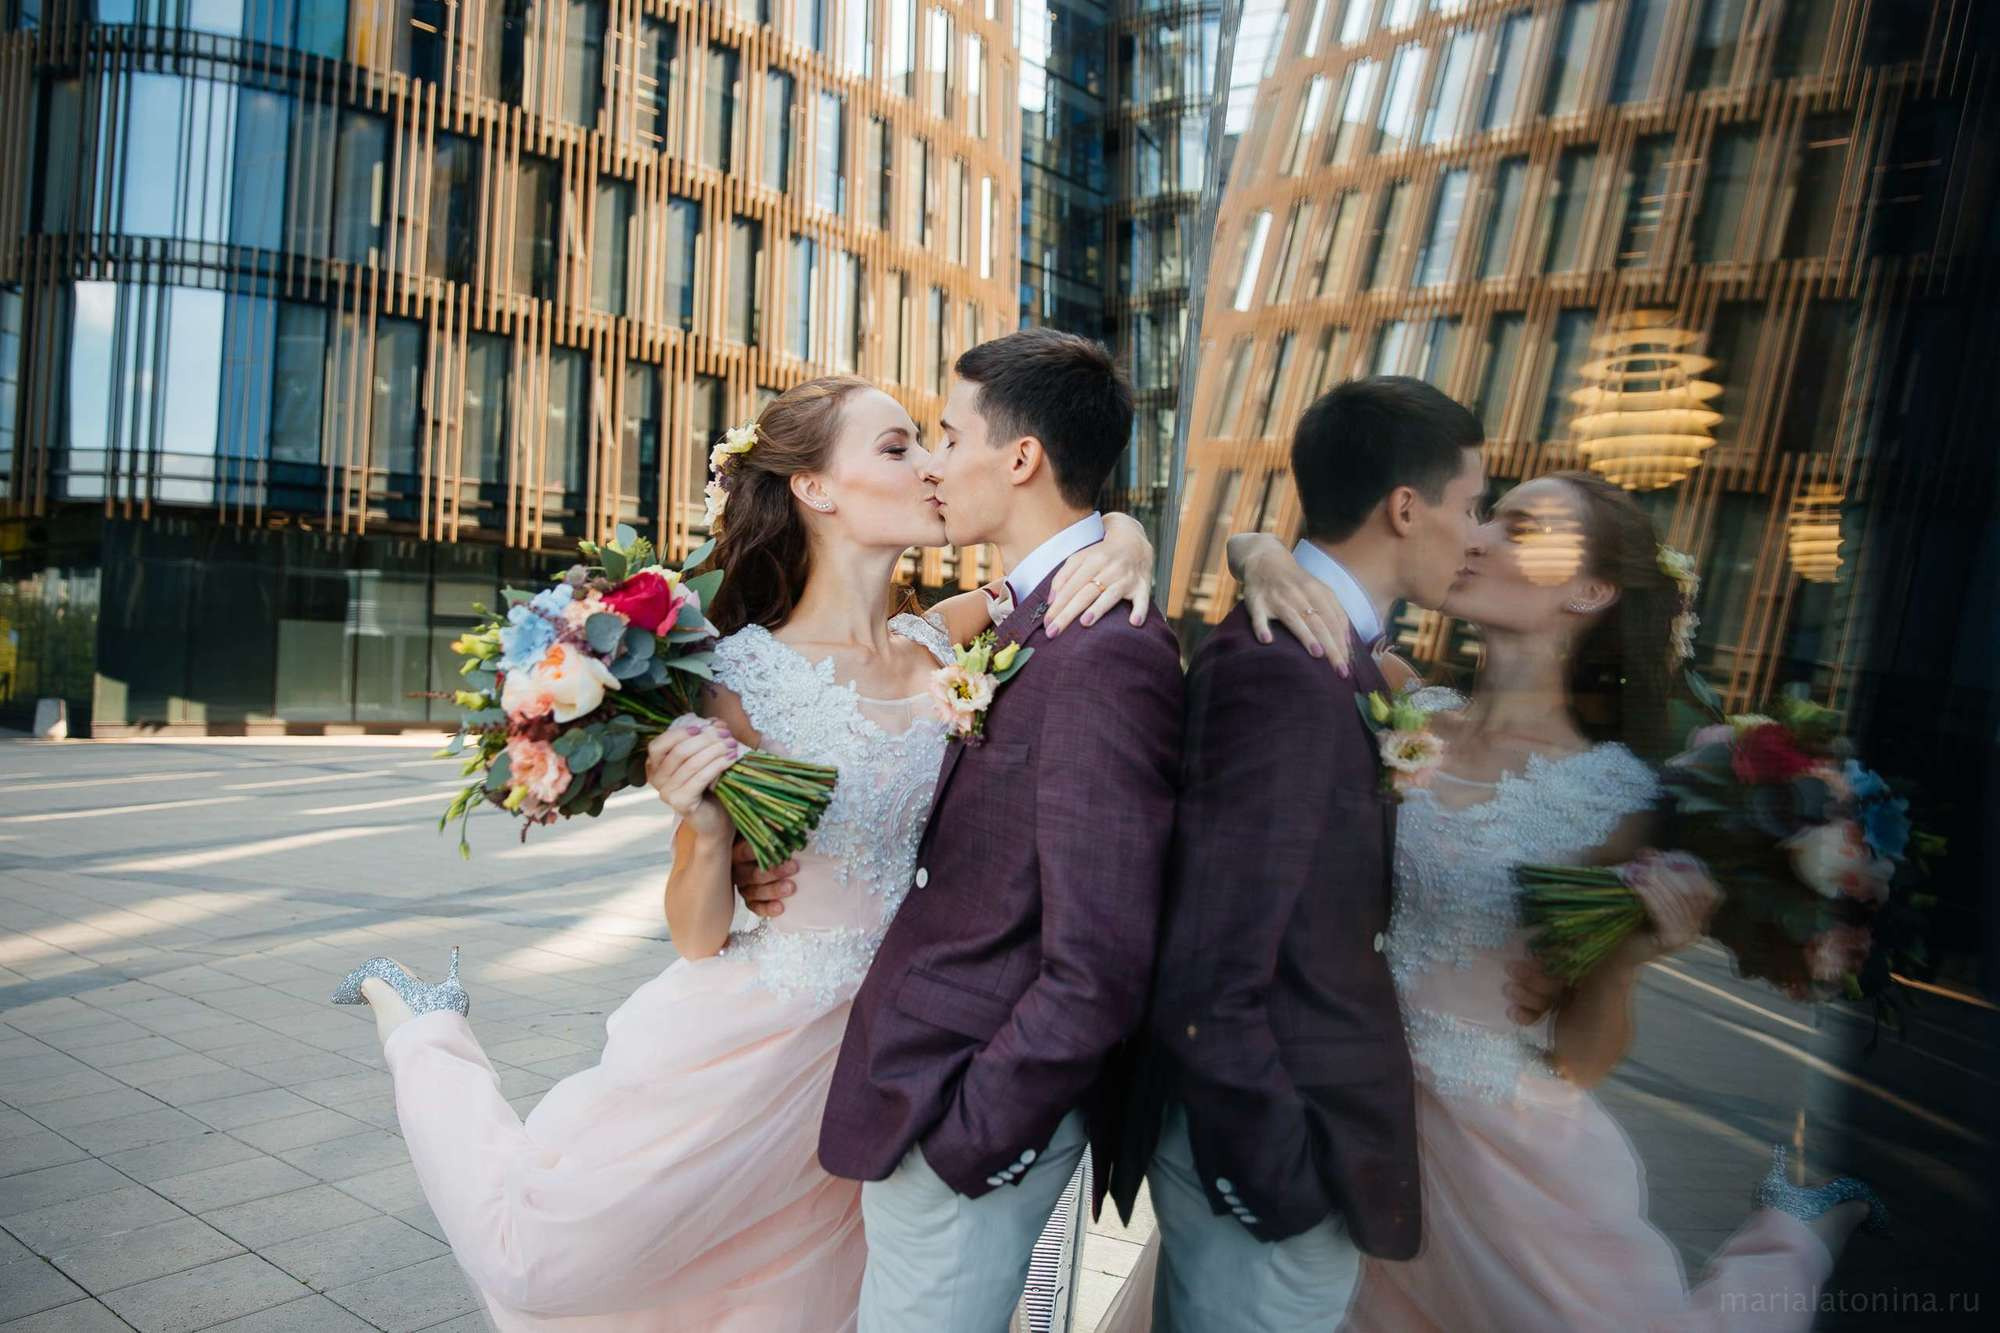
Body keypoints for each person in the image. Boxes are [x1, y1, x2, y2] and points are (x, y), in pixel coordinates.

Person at [328, 372, 1159, 1331]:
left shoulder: (950, 641)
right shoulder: (734, 673)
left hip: (907, 1041)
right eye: (896, 447)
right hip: (764, 1036)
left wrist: (1129, 536)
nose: (930, 463)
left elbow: (1064, 559)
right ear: (815, 488)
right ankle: (425, 1029)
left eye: (928, 442)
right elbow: (694, 933)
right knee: (543, 1265)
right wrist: (712, 826)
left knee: (803, 1304)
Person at [1200, 466, 1884, 1331]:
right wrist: (1258, 551)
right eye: (1487, 517)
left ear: (1591, 590)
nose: (1478, 536)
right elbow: (1284, 578)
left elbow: (1578, 1064)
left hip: (1492, 1149)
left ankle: (1798, 1227)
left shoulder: (1618, 797)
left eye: (1522, 530)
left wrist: (1632, 955)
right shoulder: (1395, 695)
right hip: (1330, 1103)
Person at [1100, 376, 1488, 1332]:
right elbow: (1211, 966)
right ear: (1406, 507)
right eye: (1472, 505)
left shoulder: (1340, 654)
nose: (1479, 534)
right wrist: (1279, 1180)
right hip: (1268, 1164)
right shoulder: (1286, 668)